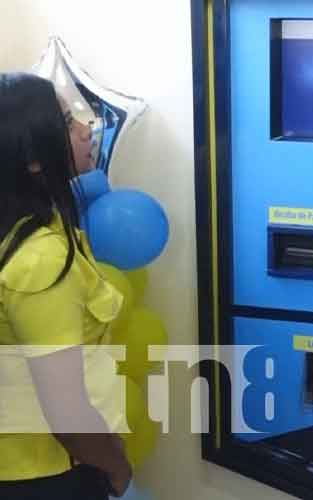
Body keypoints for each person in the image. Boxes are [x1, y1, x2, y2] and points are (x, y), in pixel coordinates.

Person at [0, 73, 131, 498]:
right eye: (67, 120)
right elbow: (66, 411)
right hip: (47, 476)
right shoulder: (39, 258)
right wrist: (116, 468)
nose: (86, 127)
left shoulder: (40, 228)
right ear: (34, 159)